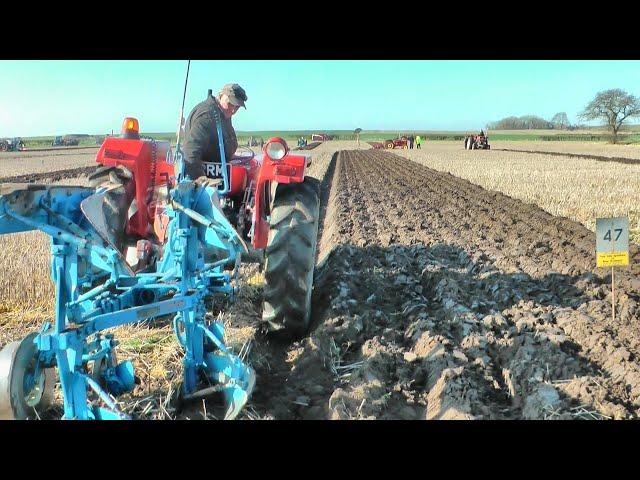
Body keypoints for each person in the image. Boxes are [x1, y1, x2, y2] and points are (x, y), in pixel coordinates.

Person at [181, 83, 248, 181]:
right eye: (230, 104)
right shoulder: (208, 116)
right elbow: (190, 152)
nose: (233, 110)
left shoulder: (223, 112)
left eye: (237, 107)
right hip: (209, 183)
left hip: (221, 175)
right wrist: (202, 181)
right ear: (221, 96)